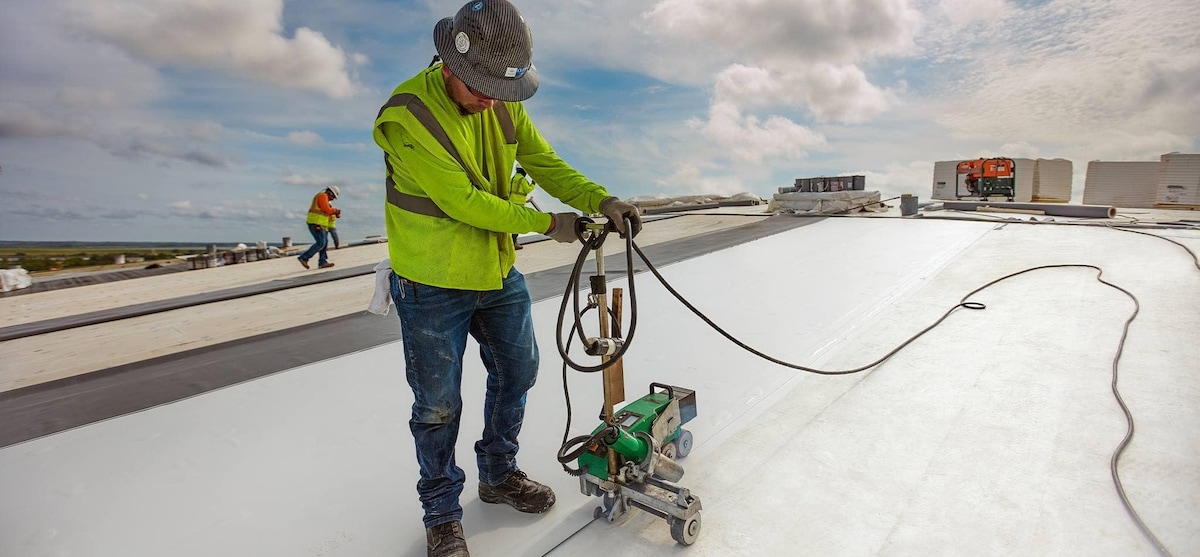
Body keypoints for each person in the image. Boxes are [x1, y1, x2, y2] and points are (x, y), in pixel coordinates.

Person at [371, 2, 641, 556]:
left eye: (502, 89)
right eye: (483, 88)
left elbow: (544, 161)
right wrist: (551, 223)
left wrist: (600, 198)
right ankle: (442, 512)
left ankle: (497, 474)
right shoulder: (407, 117)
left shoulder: (498, 104)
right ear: (451, 64)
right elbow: (466, 203)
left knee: (519, 370)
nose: (494, 99)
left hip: (494, 272)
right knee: (437, 404)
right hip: (431, 283)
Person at [298, 186, 340, 269]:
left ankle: (322, 261)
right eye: (333, 196)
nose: (333, 199)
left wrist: (334, 213)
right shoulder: (322, 196)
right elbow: (326, 209)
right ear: (330, 192)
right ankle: (304, 257)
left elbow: (327, 213)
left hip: (321, 224)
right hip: (315, 223)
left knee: (324, 243)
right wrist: (335, 211)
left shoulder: (326, 200)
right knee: (321, 243)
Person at [509, 167, 535, 249]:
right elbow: (527, 189)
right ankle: (514, 243)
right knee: (518, 224)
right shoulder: (522, 180)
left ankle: (511, 243)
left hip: (512, 203)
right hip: (519, 204)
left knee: (512, 223)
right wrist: (533, 184)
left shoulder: (512, 178)